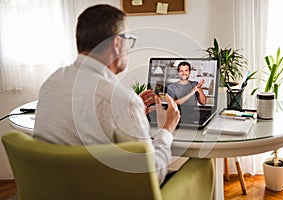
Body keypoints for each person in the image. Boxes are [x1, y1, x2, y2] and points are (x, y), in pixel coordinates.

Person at [33, 4, 180, 185]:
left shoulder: (52, 82)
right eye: (129, 39)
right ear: (118, 43)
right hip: (102, 191)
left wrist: (131, 115)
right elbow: (151, 176)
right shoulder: (120, 100)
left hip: (52, 189)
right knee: (202, 165)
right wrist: (167, 129)